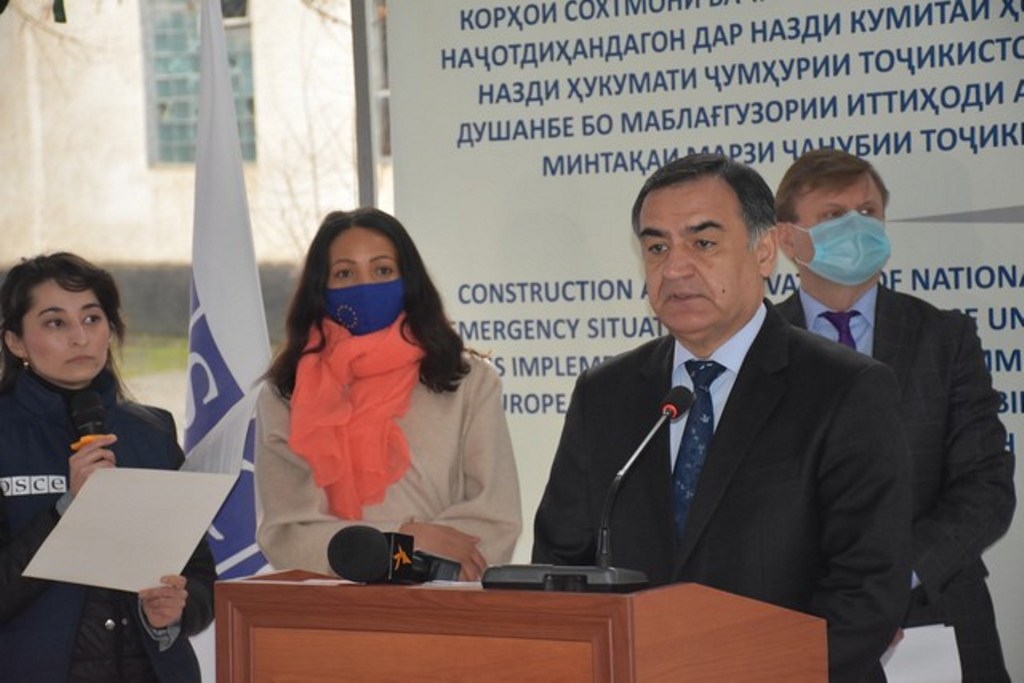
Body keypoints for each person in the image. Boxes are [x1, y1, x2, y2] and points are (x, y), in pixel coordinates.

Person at [533, 153, 913, 682]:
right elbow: (559, 569)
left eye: (703, 243)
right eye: (657, 247)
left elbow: (867, 592)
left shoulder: (845, 389)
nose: (675, 268)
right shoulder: (605, 394)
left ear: (764, 252)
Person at [774, 148, 1016, 681]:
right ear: (788, 241)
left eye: (868, 212)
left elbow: (987, 486)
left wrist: (889, 578)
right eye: (835, 215)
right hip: (801, 626)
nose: (857, 227)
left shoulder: (945, 337)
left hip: (936, 615)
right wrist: (831, 593)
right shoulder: (757, 351)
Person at [255, 208, 521, 581]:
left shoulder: (468, 382)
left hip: (441, 604)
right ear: (320, 289)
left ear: (408, 280)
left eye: (382, 270)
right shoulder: (286, 393)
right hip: (327, 607)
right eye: (345, 273)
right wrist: (406, 541)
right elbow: (287, 535)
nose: (365, 287)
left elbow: (494, 520)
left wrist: (390, 555)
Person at [0, 252, 215, 681]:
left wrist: (176, 611)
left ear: (111, 330)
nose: (80, 337)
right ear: (16, 342)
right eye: (55, 323)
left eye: (92, 319)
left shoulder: (153, 432)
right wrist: (66, 509)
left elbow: (198, 571)